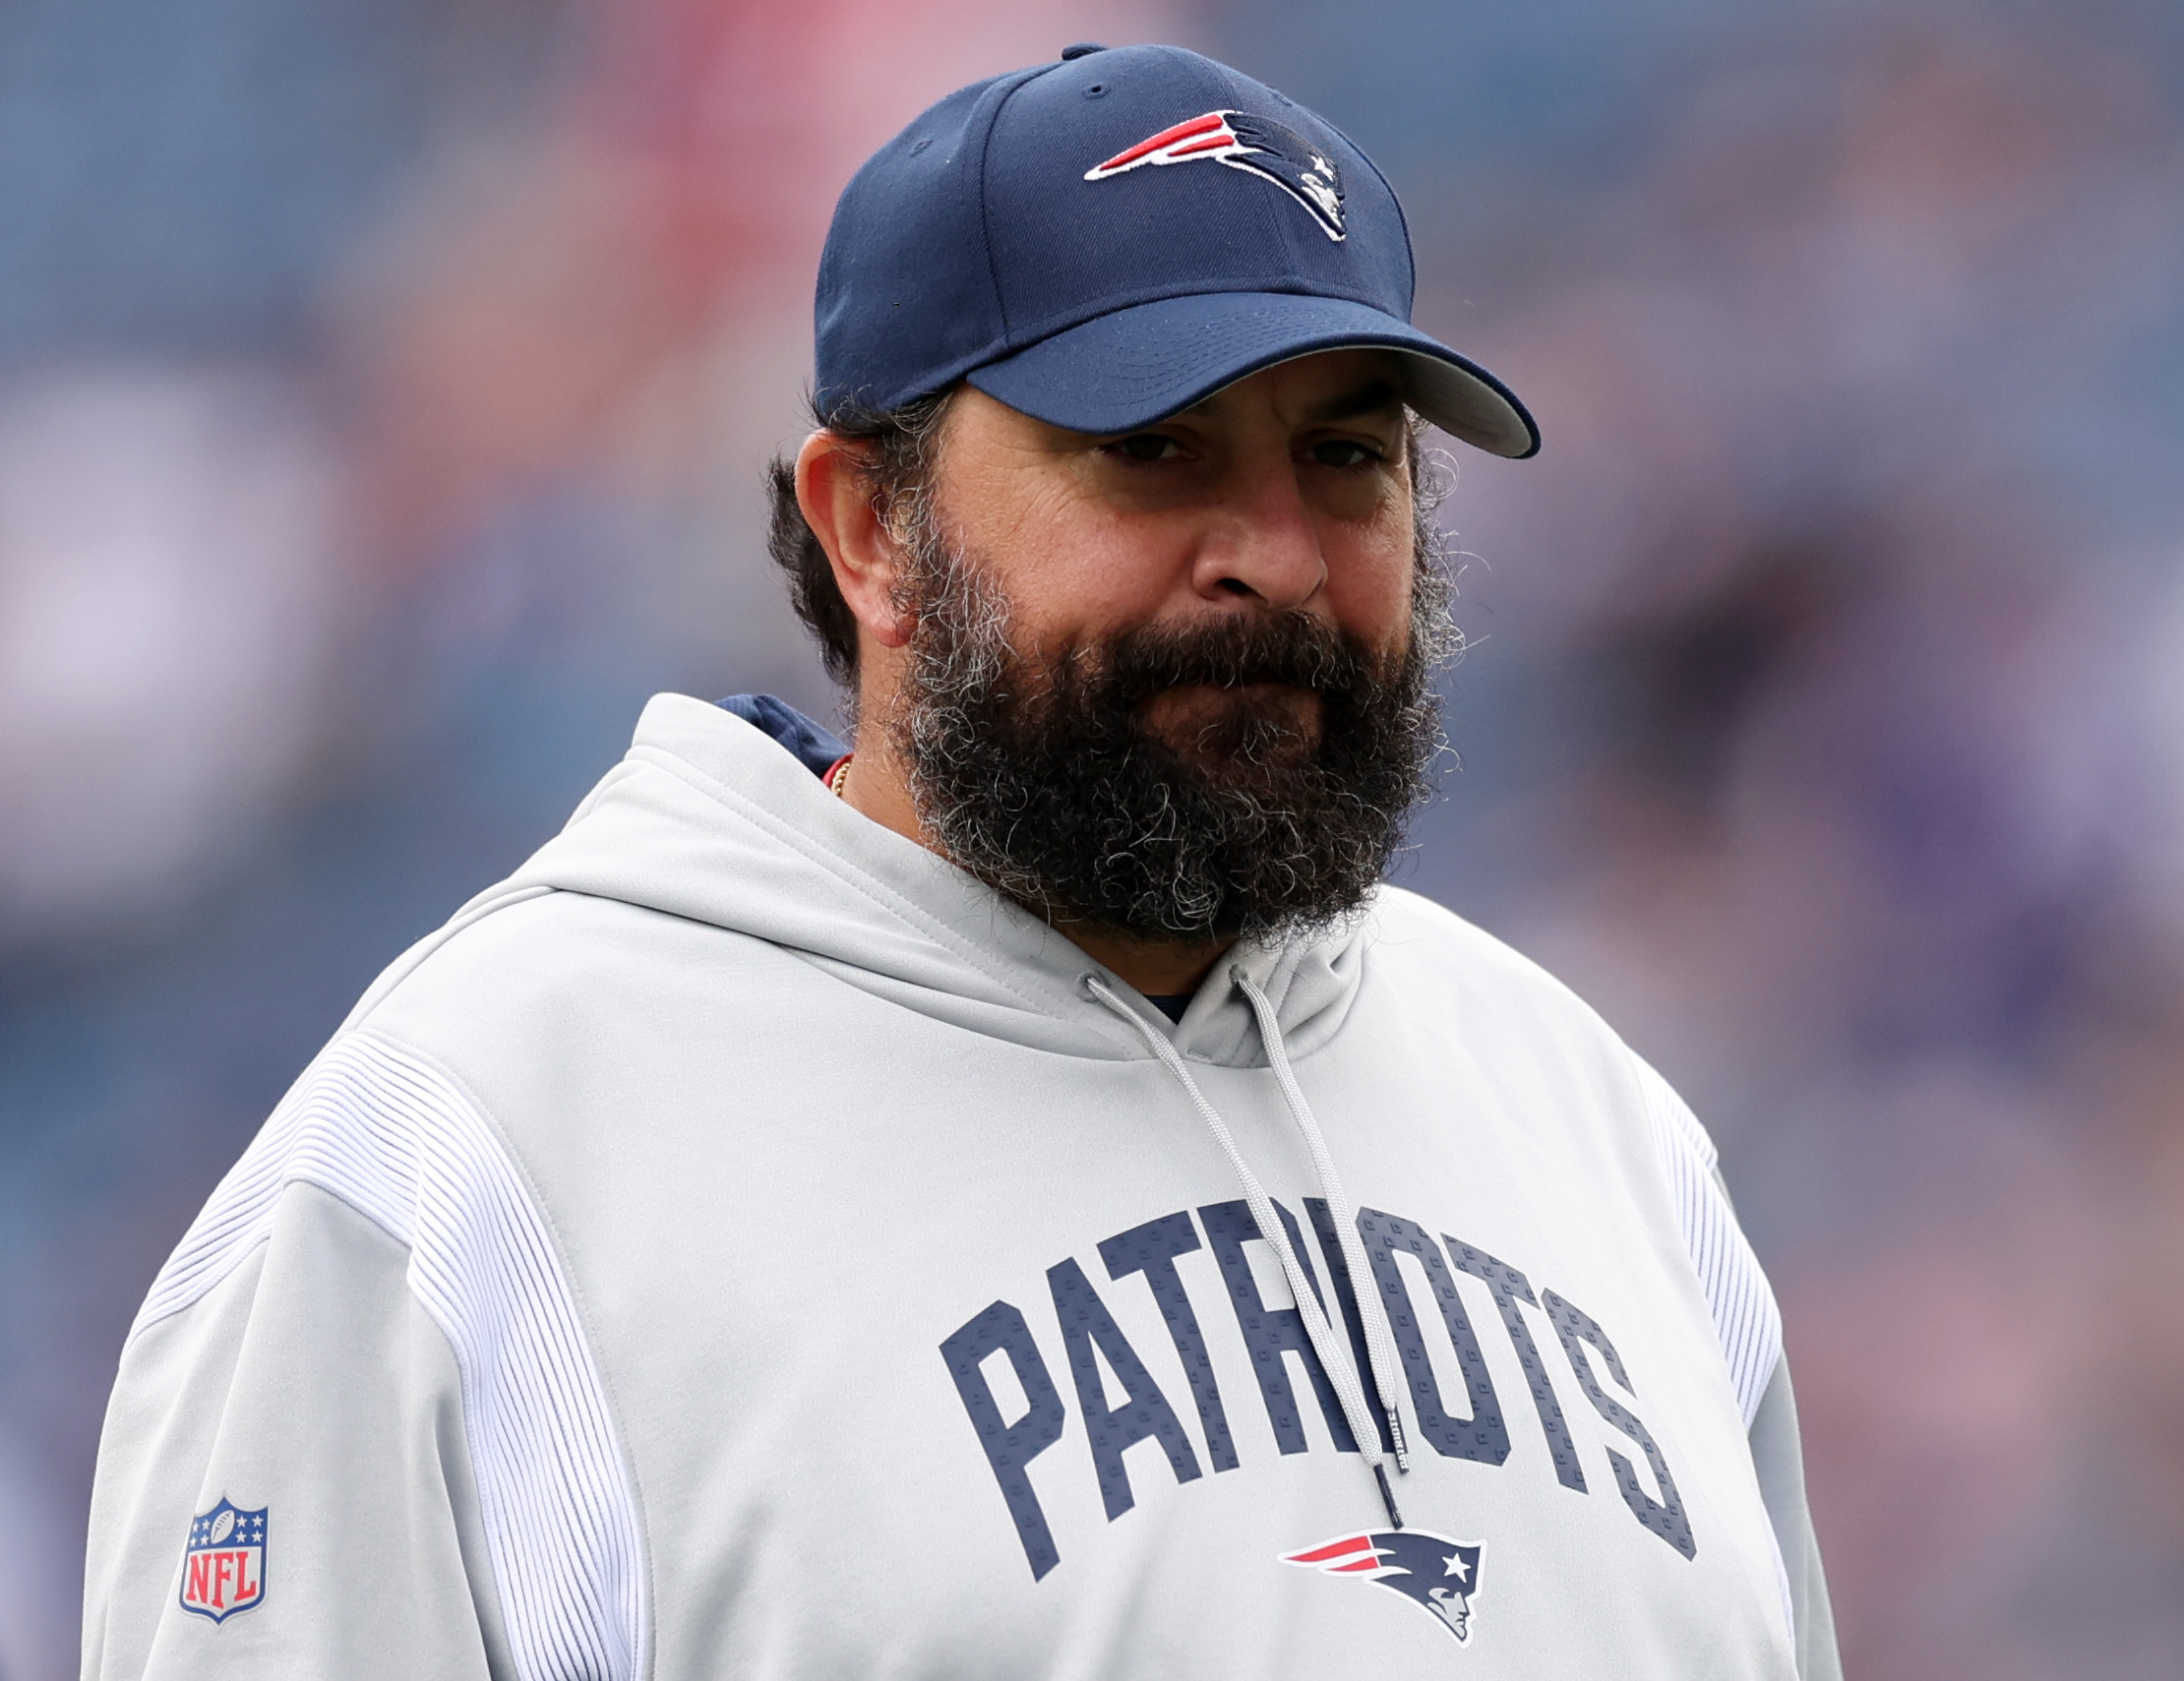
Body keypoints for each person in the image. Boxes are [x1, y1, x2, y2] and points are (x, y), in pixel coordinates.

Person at [82, 42, 1839, 1681]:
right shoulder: (478, 1153)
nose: (1278, 557)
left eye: (1347, 458)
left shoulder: (1596, 1128)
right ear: (870, 527)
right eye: (1152, 451)